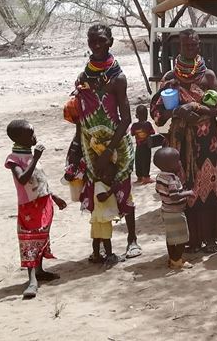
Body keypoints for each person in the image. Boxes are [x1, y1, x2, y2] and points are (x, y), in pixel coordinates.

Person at [65, 23, 141, 260]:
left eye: (101, 40)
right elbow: (80, 116)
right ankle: (101, 247)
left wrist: (109, 151)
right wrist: (77, 145)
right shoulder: (83, 77)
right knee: (97, 191)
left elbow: (126, 118)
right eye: (92, 40)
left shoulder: (118, 78)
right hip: (90, 143)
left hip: (116, 144)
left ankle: (132, 240)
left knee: (123, 189)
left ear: (110, 41)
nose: (96, 45)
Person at [151, 28, 217, 254]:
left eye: (194, 45)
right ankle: (191, 239)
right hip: (180, 142)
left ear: (199, 45)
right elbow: (157, 114)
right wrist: (177, 113)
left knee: (209, 185)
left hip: (207, 140)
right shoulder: (170, 78)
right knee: (185, 184)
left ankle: (210, 237)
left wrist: (194, 107)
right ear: (179, 47)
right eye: (186, 45)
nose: (190, 48)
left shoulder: (208, 76)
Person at [5, 120, 68, 299]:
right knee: (29, 241)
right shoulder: (14, 159)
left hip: (43, 202)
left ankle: (39, 271)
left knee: (41, 238)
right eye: (30, 134)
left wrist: (53, 196)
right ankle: (32, 279)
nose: (34, 136)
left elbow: (39, 180)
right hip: (29, 206)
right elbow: (23, 179)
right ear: (18, 138)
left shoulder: (29, 154)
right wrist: (36, 158)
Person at [154, 147, 194, 269]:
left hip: (166, 210)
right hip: (176, 212)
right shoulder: (171, 179)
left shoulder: (160, 177)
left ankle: (172, 258)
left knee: (171, 237)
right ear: (170, 165)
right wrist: (188, 193)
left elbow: (159, 190)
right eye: (177, 161)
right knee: (182, 237)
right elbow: (175, 196)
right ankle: (177, 260)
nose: (180, 163)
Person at [130, 105, 155, 185]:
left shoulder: (134, 126)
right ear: (147, 115)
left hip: (138, 146)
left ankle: (139, 177)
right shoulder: (148, 124)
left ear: (136, 115)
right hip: (146, 146)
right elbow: (152, 132)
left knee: (138, 161)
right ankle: (146, 177)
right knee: (146, 161)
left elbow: (132, 133)